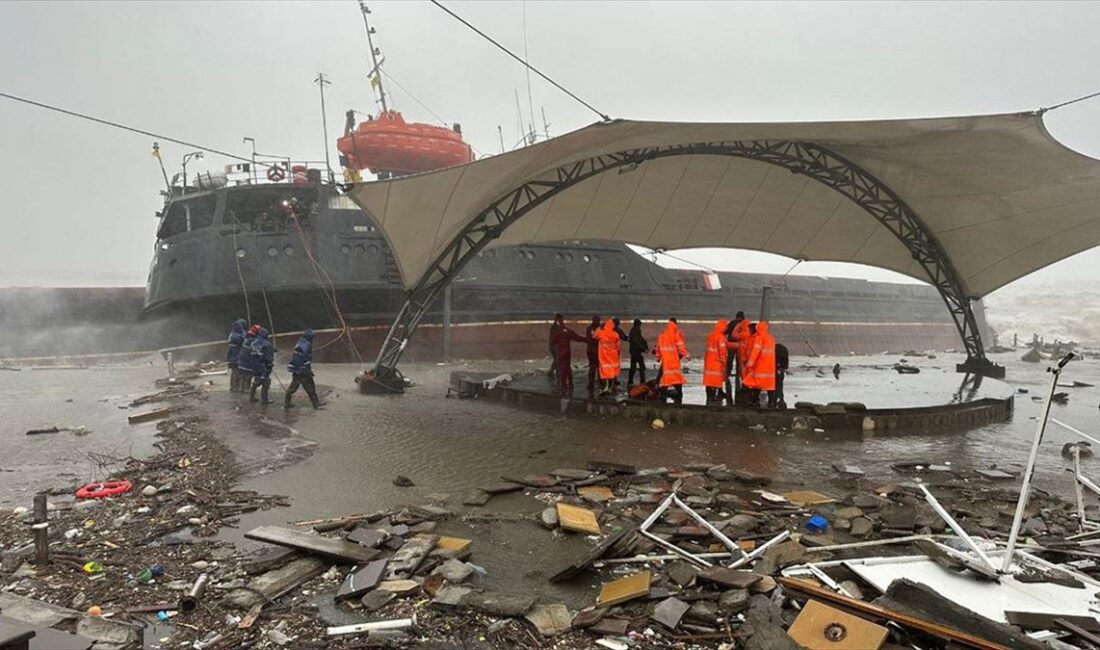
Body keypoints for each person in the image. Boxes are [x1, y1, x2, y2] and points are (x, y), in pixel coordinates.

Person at [285, 329, 324, 409]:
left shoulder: (300, 342)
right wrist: (308, 370)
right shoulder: (307, 345)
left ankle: (287, 403)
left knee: (293, 386)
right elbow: (306, 359)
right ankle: (315, 403)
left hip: (295, 368)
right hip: (302, 370)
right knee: (310, 386)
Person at [655, 319, 690, 404]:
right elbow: (680, 346)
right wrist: (686, 355)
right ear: (675, 325)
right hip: (674, 361)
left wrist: (658, 358)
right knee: (677, 379)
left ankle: (663, 396)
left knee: (666, 380)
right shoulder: (675, 334)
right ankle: (679, 395)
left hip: (666, 362)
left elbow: (658, 348)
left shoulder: (661, 336)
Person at [550, 315, 587, 395]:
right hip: (567, 352)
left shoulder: (557, 332)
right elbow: (577, 338)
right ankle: (570, 383)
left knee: (562, 369)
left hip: (561, 352)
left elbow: (552, 342)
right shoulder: (567, 331)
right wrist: (587, 340)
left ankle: (564, 386)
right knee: (568, 368)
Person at [745, 321, 777, 408]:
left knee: (756, 383)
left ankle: (755, 401)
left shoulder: (759, 338)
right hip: (770, 366)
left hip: (760, 365)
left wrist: (750, 363)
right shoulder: (771, 338)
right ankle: (771, 402)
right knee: (770, 385)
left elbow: (756, 351)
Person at [703, 319, 730, 405]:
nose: (726, 328)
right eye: (726, 326)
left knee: (708, 380)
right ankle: (714, 396)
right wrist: (724, 360)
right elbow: (722, 350)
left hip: (708, 361)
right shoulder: (721, 337)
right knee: (715, 381)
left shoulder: (711, 335)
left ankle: (709, 396)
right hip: (716, 362)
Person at [594, 319, 623, 396]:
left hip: (604, 357)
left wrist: (599, 327)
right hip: (613, 357)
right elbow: (618, 347)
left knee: (605, 374)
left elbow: (594, 335)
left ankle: (605, 388)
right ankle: (610, 388)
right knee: (612, 374)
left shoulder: (601, 333)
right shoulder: (615, 334)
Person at [248, 327, 275, 404]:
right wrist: (270, 366)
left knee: (256, 381)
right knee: (265, 382)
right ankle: (264, 399)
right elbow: (268, 357)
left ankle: (252, 397)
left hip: (254, 366)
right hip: (264, 366)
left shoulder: (253, 343)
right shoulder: (267, 344)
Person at [226, 319, 247, 392]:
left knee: (234, 372)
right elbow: (245, 343)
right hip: (237, 357)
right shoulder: (239, 336)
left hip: (232, 357)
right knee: (238, 373)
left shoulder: (232, 335)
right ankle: (238, 388)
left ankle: (233, 387)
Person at [627, 319, 648, 386]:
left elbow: (639, 340)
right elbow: (638, 341)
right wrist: (644, 348)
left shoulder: (633, 330)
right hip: (636, 352)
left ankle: (630, 381)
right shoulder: (636, 331)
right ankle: (642, 381)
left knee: (633, 367)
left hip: (634, 351)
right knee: (641, 366)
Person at [584, 316, 601, 392]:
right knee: (594, 368)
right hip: (593, 351)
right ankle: (592, 383)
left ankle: (594, 383)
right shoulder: (591, 329)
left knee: (597, 368)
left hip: (595, 351)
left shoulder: (591, 328)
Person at [771, 341, 789, 408]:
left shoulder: (774, 350)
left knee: (774, 386)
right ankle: (779, 400)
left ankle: (774, 401)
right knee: (779, 386)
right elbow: (785, 365)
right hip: (779, 370)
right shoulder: (783, 350)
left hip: (773, 370)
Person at [547, 316, 561, 380]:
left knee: (557, 359)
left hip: (554, 346)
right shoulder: (555, 327)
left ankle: (552, 371)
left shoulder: (555, 327)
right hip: (554, 346)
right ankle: (554, 372)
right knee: (557, 359)